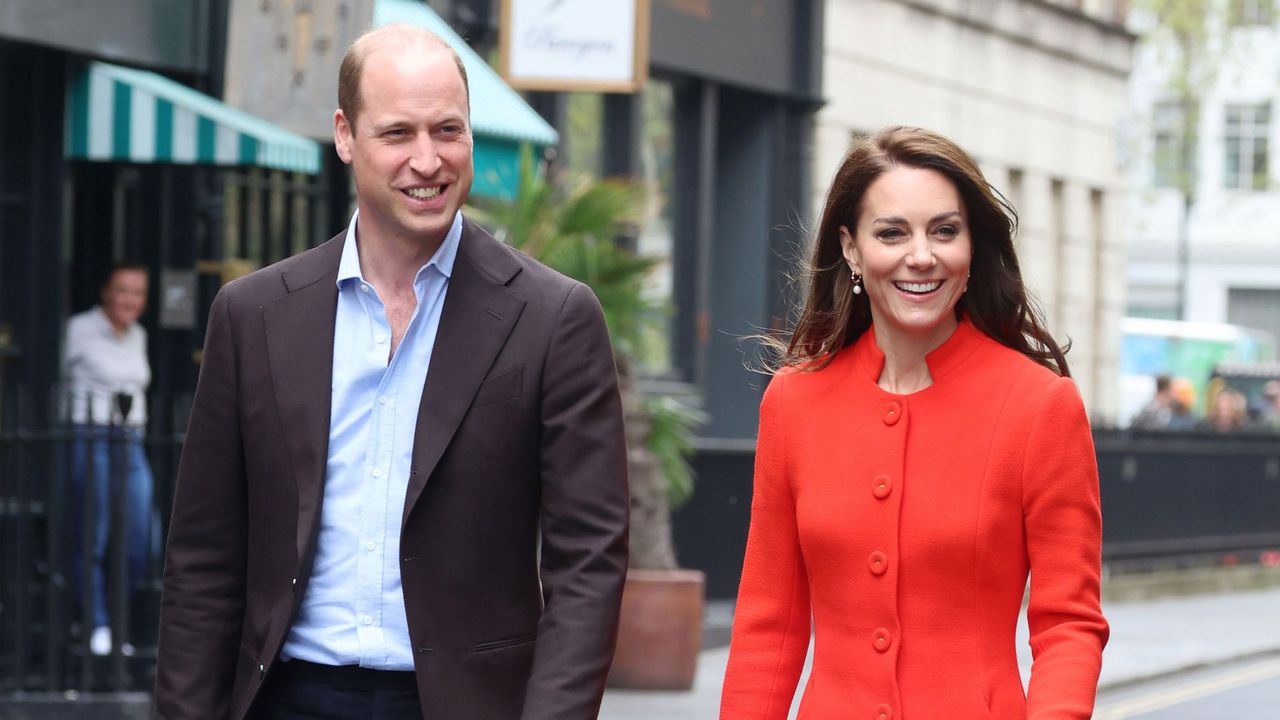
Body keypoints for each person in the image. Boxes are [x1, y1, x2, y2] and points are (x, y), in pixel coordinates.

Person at [155, 25, 629, 720]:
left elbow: (588, 564)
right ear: (345, 136)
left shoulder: (553, 318)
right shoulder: (252, 315)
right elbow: (202, 561)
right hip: (283, 696)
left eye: (447, 130)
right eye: (398, 133)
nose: (427, 159)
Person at [721, 127, 1109, 719]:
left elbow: (1068, 625)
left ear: (972, 246)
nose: (921, 255)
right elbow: (768, 625)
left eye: (945, 231)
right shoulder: (792, 403)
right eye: (892, 232)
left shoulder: (1040, 407)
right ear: (851, 249)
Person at [61, 261, 155, 657]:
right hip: (90, 434)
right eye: (122, 290)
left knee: (142, 539)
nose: (130, 300)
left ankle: (116, 620)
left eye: (137, 292)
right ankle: (97, 623)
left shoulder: (138, 335)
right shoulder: (78, 329)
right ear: (105, 292)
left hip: (130, 440)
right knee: (92, 534)